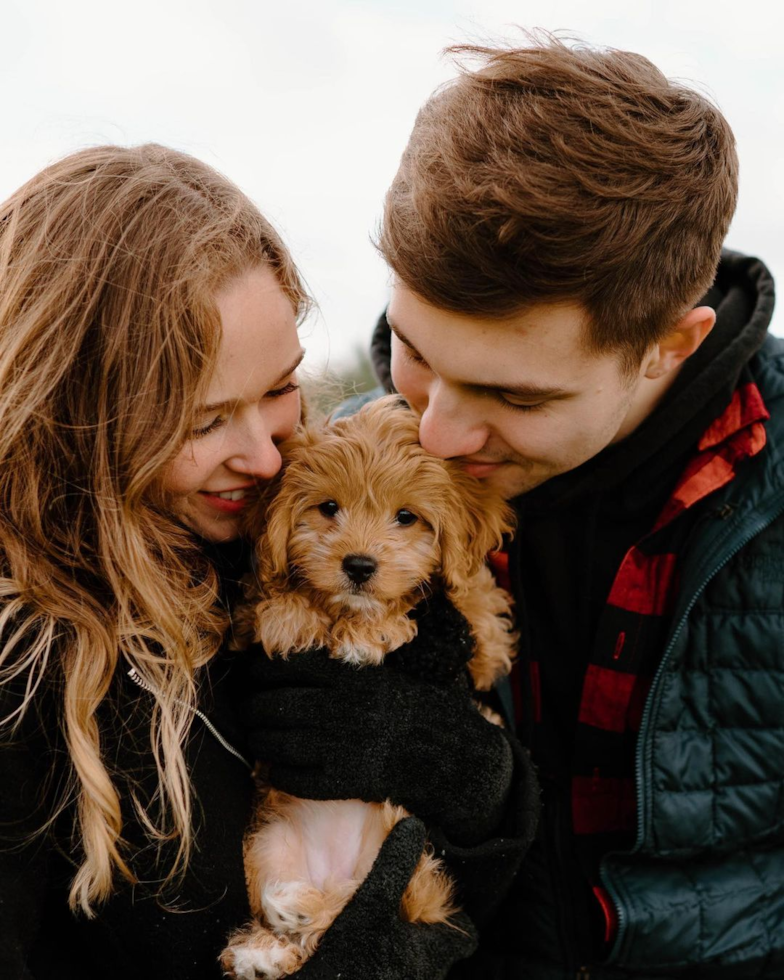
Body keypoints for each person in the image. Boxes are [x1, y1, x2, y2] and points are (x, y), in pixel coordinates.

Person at [244, 35, 784, 980]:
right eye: (414, 350)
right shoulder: (333, 475)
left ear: (668, 345)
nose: (440, 432)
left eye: (516, 398)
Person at [0, 144, 480, 979]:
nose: (264, 457)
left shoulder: (277, 550)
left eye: (280, 388)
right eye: (203, 420)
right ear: (74, 416)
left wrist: (484, 789)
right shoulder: (23, 660)